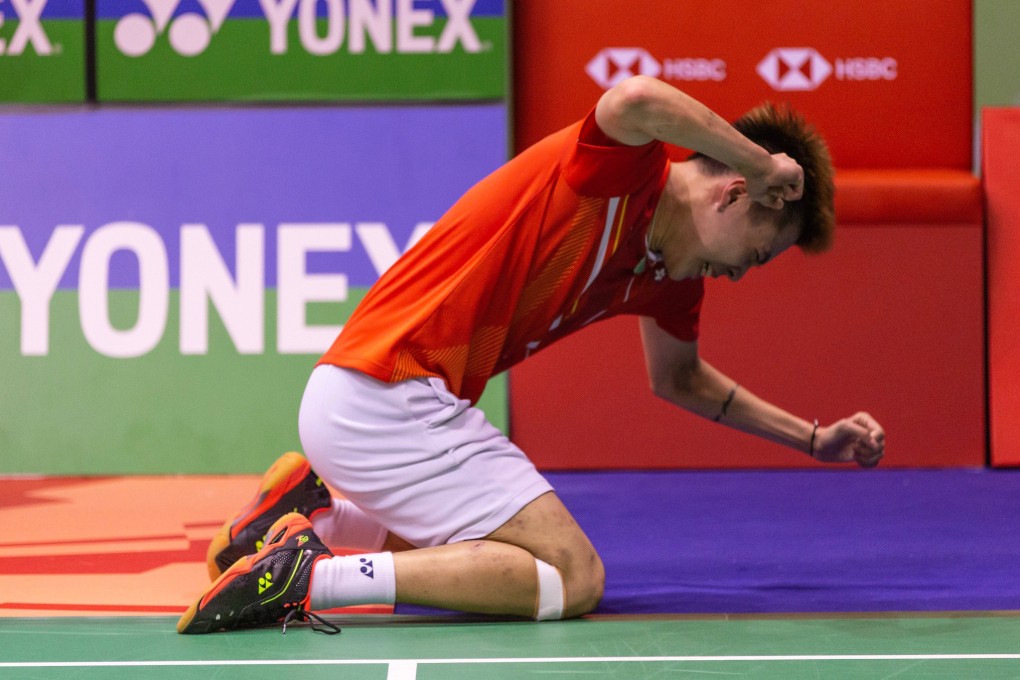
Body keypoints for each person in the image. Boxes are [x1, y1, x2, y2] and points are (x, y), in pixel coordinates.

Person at [177, 75, 886, 634]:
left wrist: (814, 438)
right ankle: (307, 576)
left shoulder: (668, 275)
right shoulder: (618, 174)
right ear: (737, 193)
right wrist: (761, 159)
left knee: (480, 566)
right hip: (391, 392)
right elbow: (634, 97)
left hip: (369, 403)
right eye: (755, 256)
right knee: (569, 577)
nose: (738, 275)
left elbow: (682, 379)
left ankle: (301, 525)